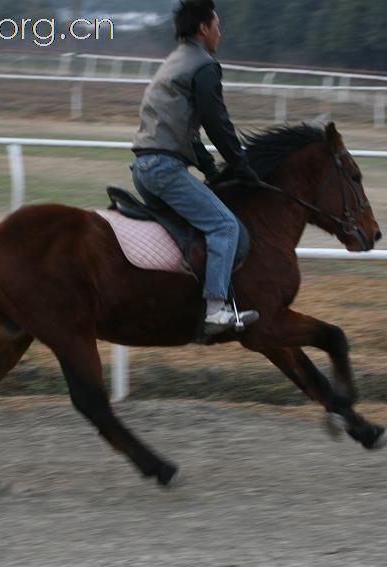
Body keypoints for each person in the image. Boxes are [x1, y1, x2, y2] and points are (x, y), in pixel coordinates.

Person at [131, 0, 260, 335]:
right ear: (204, 28)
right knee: (225, 227)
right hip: (164, 168)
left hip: (145, 167)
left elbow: (187, 129)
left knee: (201, 227)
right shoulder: (204, 65)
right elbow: (216, 122)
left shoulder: (173, 62)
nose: (221, 30)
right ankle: (215, 310)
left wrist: (210, 169)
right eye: (217, 24)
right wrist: (239, 163)